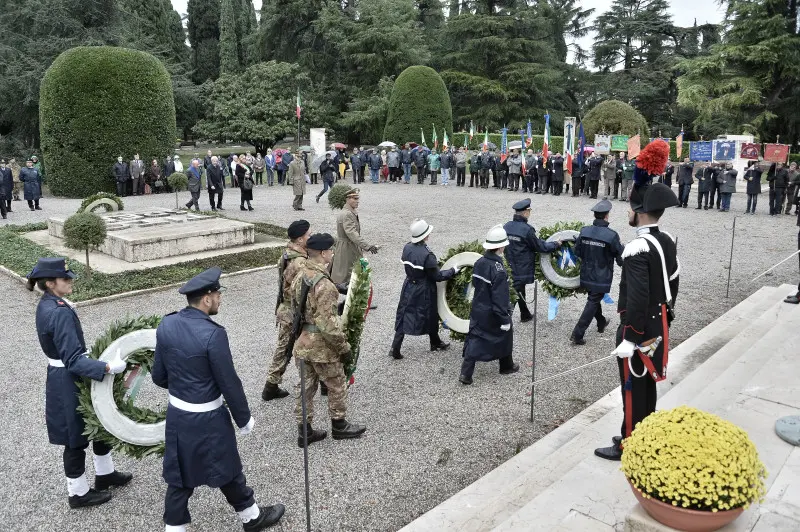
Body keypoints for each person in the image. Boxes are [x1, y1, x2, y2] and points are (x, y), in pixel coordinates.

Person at [152, 267, 285, 532]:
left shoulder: (166, 323)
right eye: (218, 294)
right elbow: (229, 383)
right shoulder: (213, 334)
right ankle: (251, 517)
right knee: (228, 468)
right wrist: (243, 419)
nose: (220, 299)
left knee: (179, 477)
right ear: (207, 298)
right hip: (209, 418)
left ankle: (175, 529)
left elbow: (159, 376)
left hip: (178, 416)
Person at [595, 142, 680, 461]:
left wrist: (630, 336)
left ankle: (630, 444)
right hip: (658, 323)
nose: (627, 213)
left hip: (639, 329)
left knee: (632, 388)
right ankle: (646, 435)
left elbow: (638, 296)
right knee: (646, 387)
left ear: (639, 211)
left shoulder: (636, 249)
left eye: (629, 208)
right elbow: (673, 282)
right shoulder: (667, 240)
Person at [28, 258, 132, 508]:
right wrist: (107, 367)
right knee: (74, 437)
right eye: (66, 279)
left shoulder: (51, 303)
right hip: (68, 379)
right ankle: (78, 493)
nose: (71, 281)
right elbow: (73, 359)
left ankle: (104, 474)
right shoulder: (58, 311)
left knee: (98, 423)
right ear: (50, 283)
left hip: (67, 376)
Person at [291, 233, 367, 443]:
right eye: (331, 250)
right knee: (336, 383)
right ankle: (339, 425)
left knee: (305, 387)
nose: (333, 253)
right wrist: (344, 347)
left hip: (303, 342)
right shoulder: (324, 284)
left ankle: (304, 431)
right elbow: (328, 324)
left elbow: (294, 309)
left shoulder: (300, 276)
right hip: (322, 346)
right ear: (323, 253)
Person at [459, 225, 519, 385]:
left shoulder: (479, 262)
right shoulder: (498, 270)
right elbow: (499, 298)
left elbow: (475, 284)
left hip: (479, 309)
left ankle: (466, 374)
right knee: (506, 335)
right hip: (493, 312)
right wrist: (504, 319)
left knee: (475, 339)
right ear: (500, 247)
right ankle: (506, 366)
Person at [391, 220, 457, 359]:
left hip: (409, 284)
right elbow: (437, 276)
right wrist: (452, 270)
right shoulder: (428, 255)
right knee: (430, 314)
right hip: (424, 288)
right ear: (425, 235)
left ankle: (395, 347)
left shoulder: (407, 247)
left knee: (404, 314)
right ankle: (435, 343)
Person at [262, 220, 311, 401]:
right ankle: (270, 387)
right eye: (308, 235)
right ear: (299, 239)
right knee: (290, 348)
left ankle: (271, 386)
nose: (311, 237)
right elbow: (300, 289)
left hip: (286, 309)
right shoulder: (299, 262)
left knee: (284, 348)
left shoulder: (287, 254)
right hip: (293, 312)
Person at [570, 200, 624, 345]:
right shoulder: (611, 235)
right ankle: (577, 333)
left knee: (594, 298)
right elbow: (620, 258)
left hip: (586, 274)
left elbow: (577, 252)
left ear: (595, 215)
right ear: (607, 216)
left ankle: (601, 322)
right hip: (601, 276)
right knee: (593, 301)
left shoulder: (584, 230)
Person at [503, 198, 560, 322]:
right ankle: (504, 323)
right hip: (522, 266)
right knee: (514, 293)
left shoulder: (506, 226)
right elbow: (539, 246)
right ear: (525, 212)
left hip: (509, 263)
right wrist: (555, 244)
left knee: (519, 288)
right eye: (529, 211)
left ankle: (525, 314)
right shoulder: (527, 230)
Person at [331, 188, 379, 285]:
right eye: (354, 199)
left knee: (353, 275)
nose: (357, 201)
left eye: (357, 199)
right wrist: (367, 246)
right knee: (349, 277)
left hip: (349, 246)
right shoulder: (347, 214)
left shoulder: (348, 212)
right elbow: (352, 233)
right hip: (348, 248)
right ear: (347, 199)